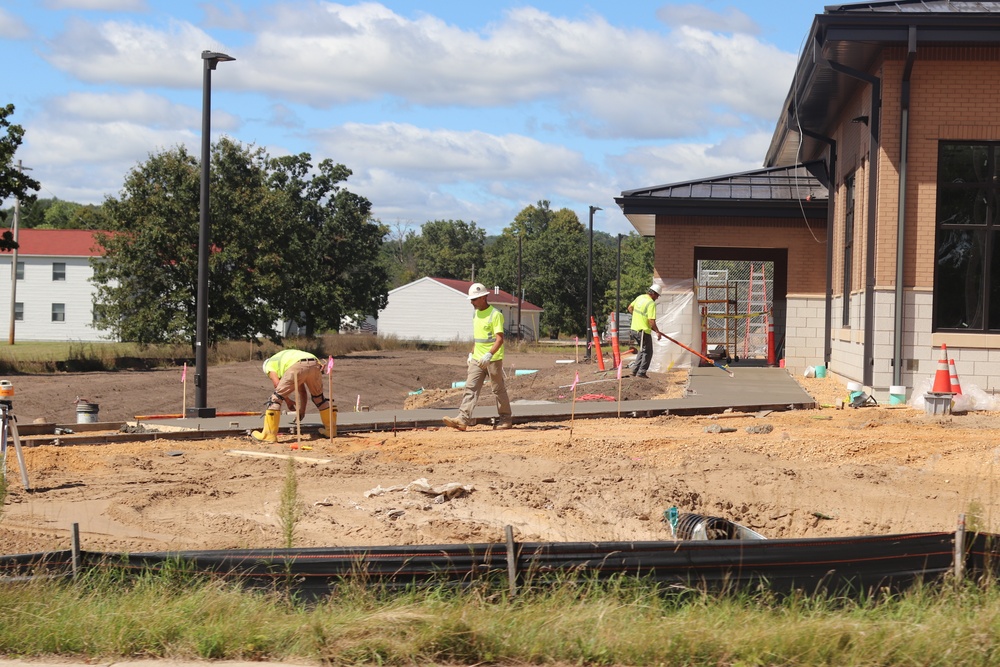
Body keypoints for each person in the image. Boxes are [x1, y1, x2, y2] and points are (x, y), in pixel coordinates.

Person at [442, 282, 513, 431]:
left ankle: (505, 419)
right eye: (471, 300)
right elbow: (478, 338)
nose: (471, 302)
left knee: (498, 389)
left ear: (483, 298)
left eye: (474, 299)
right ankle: (462, 419)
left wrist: (489, 354)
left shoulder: (495, 315)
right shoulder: (475, 313)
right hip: (477, 358)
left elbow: (499, 339)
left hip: (492, 359)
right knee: (470, 387)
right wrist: (472, 353)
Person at [251, 349, 335, 442]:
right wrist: (302, 410)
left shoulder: (269, 365)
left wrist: (288, 401)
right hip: (314, 363)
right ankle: (330, 430)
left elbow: (277, 385)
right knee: (319, 398)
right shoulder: (285, 360)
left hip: (297, 365)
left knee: (275, 400)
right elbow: (302, 391)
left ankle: (268, 435)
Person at [627, 283, 665, 378]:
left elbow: (630, 308)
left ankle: (634, 371)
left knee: (642, 350)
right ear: (653, 293)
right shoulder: (651, 303)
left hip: (634, 329)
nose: (657, 298)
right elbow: (651, 321)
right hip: (643, 331)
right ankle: (641, 372)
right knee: (648, 351)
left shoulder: (640, 297)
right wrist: (657, 331)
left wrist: (637, 317)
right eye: (657, 296)